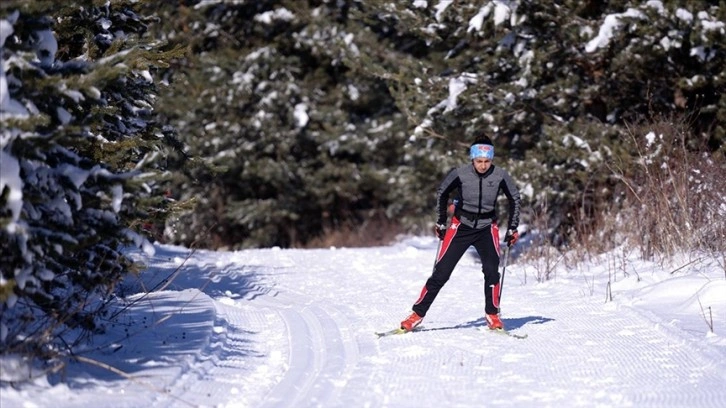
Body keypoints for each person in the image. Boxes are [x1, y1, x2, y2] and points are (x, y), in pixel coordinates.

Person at [401, 136, 521, 331]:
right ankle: (417, 313)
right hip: (461, 226)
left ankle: (492, 314)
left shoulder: (500, 175)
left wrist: (513, 228)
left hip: (486, 227)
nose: (483, 165)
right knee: (441, 272)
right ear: (472, 158)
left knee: (491, 270)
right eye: (479, 161)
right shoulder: (460, 173)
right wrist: (440, 222)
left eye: (487, 161)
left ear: (492, 159)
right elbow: (442, 192)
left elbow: (514, 198)